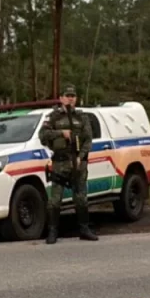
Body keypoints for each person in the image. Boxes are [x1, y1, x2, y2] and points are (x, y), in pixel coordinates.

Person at [39, 84, 98, 244]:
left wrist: (81, 156)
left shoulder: (82, 117)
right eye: (67, 95)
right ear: (61, 98)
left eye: (73, 95)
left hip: (77, 162)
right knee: (55, 199)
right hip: (60, 162)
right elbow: (42, 136)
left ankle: (84, 229)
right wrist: (61, 133)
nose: (70, 98)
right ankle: (53, 232)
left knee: (81, 197)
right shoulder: (53, 117)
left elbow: (88, 140)